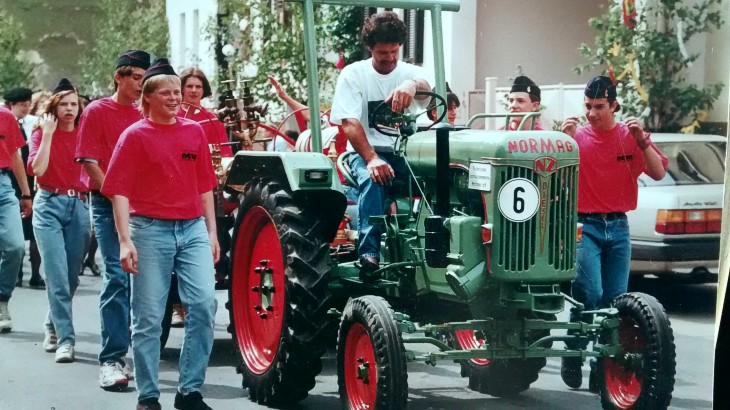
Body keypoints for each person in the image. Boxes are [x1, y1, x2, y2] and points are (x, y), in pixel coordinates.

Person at [102, 58, 218, 410]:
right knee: (149, 317)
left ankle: (189, 391)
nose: (174, 98)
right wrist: (125, 240)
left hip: (192, 229)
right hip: (149, 231)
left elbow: (205, 186)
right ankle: (148, 396)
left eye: (177, 92)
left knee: (203, 305)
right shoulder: (134, 135)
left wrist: (212, 233)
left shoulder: (193, 131)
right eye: (166, 93)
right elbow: (118, 191)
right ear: (148, 98)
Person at [559, 75, 668, 389]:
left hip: (618, 226)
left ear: (614, 105)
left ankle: (601, 366)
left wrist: (642, 140)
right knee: (587, 293)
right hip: (584, 225)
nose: (592, 113)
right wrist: (563, 140)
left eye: (599, 107)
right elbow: (550, 174)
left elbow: (659, 172)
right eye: (588, 106)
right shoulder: (576, 137)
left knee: (616, 302)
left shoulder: (630, 136)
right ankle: (573, 351)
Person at [330, 11, 431, 279]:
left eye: (394, 52)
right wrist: (372, 158)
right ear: (370, 48)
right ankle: (369, 254)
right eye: (382, 53)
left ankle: (432, 249)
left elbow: (427, 88)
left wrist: (410, 86)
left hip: (406, 152)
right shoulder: (354, 74)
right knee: (373, 179)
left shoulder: (410, 73)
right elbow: (350, 122)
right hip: (366, 152)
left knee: (440, 179)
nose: (389, 58)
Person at [75, 49, 151, 391]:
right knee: (118, 277)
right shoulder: (97, 110)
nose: (140, 84)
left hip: (147, 205)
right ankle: (111, 359)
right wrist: (118, 194)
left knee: (150, 282)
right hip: (107, 204)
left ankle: (146, 354)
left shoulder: (147, 113)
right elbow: (89, 160)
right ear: (119, 76)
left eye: (144, 78)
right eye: (135, 77)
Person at [27, 78, 90, 362]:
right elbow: (37, 170)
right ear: (54, 107)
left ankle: (53, 321)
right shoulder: (42, 133)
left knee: (71, 276)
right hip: (48, 203)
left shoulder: (85, 133)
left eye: (73, 104)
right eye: (63, 104)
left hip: (78, 204)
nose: (69, 109)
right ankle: (65, 339)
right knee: (55, 275)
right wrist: (49, 134)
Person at [4, 87, 44, 289]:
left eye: (29, 103)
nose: (26, 107)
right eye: (22, 104)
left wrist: (26, 191)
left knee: (24, 237)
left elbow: (21, 155)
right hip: (9, 179)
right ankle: (16, 274)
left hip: (19, 180)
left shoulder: (26, 122)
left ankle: (32, 275)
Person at [0, 103, 33, 333]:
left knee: (15, 247)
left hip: (3, 185)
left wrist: (25, 192)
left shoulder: (5, 117)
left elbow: (15, 155)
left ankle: (2, 300)